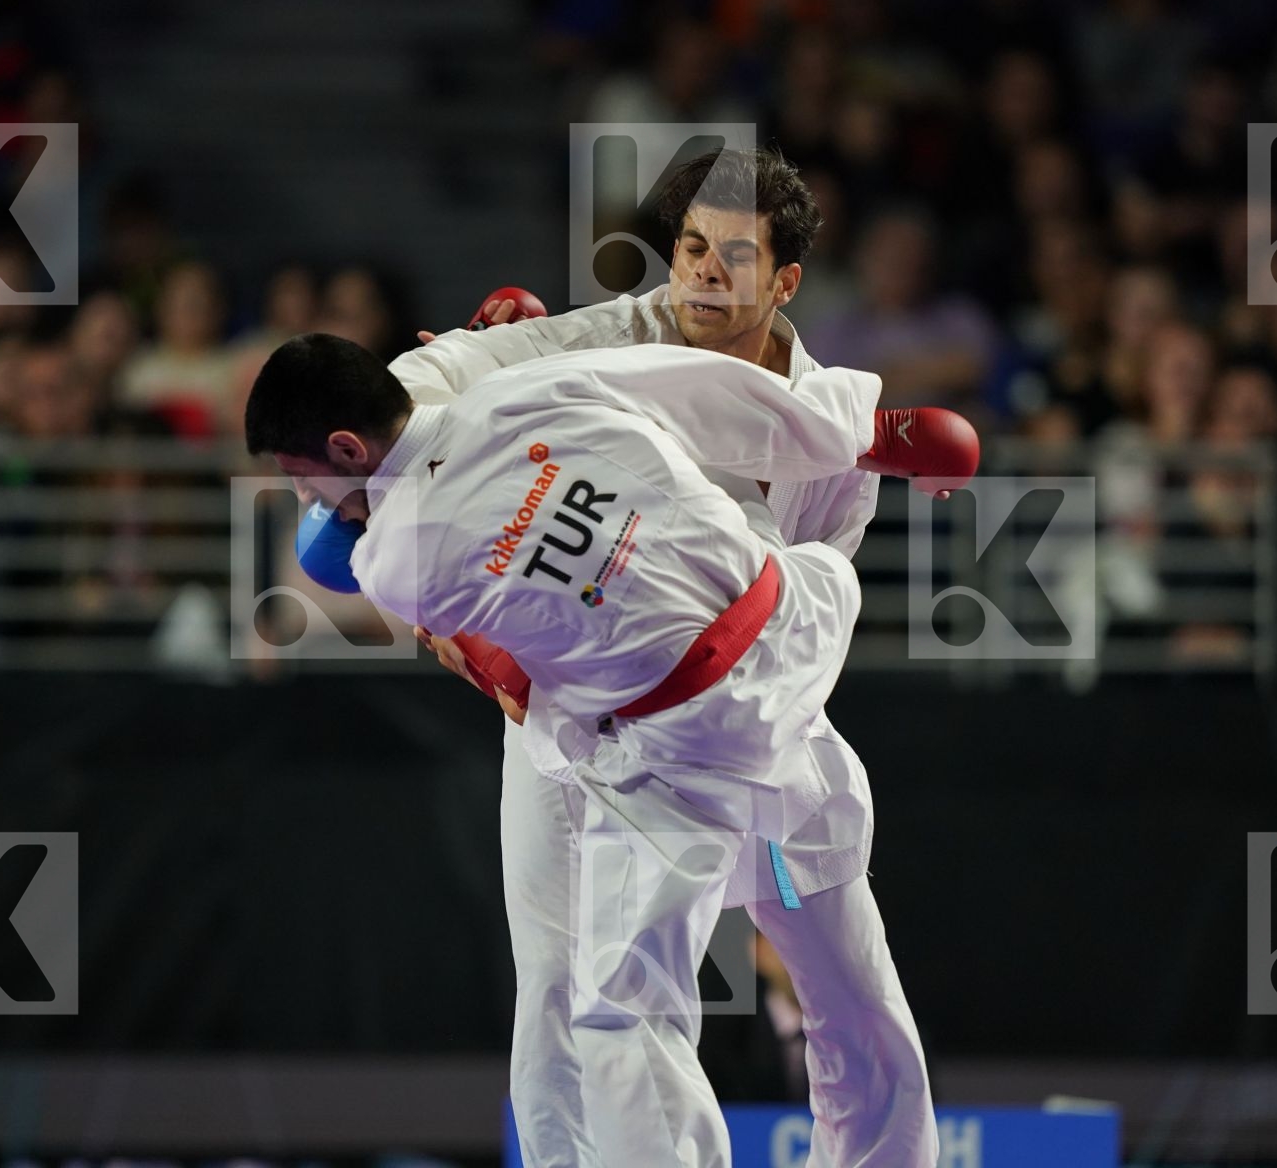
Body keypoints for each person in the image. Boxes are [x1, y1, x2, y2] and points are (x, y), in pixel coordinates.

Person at [245, 330, 971, 1167]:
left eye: (305, 480)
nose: (311, 502)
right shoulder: (529, 389)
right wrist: (852, 432)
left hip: (688, 748)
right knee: (847, 969)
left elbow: (515, 684)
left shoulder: (396, 558)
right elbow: (695, 386)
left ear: (345, 447)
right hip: (792, 622)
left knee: (620, 1009)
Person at [387, 148, 939, 1166]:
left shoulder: (827, 424)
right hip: (574, 714)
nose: (701, 276)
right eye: (688, 249)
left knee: (845, 974)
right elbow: (439, 387)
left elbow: (812, 595)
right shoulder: (612, 340)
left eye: (733, 257)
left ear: (785, 282)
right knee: (561, 983)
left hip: (748, 710)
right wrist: (429, 381)